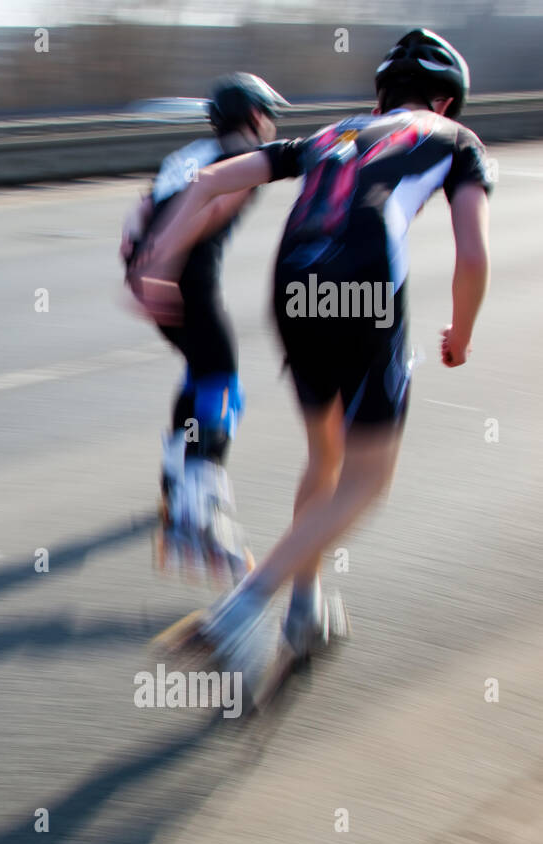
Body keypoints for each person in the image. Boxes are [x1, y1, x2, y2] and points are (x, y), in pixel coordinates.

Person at [131, 29, 491, 695]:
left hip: (293, 285)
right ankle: (246, 607)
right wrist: (460, 333)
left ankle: (307, 608)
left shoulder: (332, 136)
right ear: (444, 103)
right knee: (364, 480)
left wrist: (161, 259)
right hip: (364, 287)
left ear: (381, 95)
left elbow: (210, 181)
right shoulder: (454, 141)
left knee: (324, 458)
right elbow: (472, 254)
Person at [121, 73, 289, 579]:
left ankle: (175, 484)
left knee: (200, 370)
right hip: (185, 282)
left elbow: (139, 212)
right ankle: (201, 508)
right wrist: (163, 271)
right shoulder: (243, 164)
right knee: (222, 381)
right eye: (270, 115)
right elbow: (208, 210)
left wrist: (137, 268)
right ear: (257, 117)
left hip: (151, 275)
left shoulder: (190, 152)